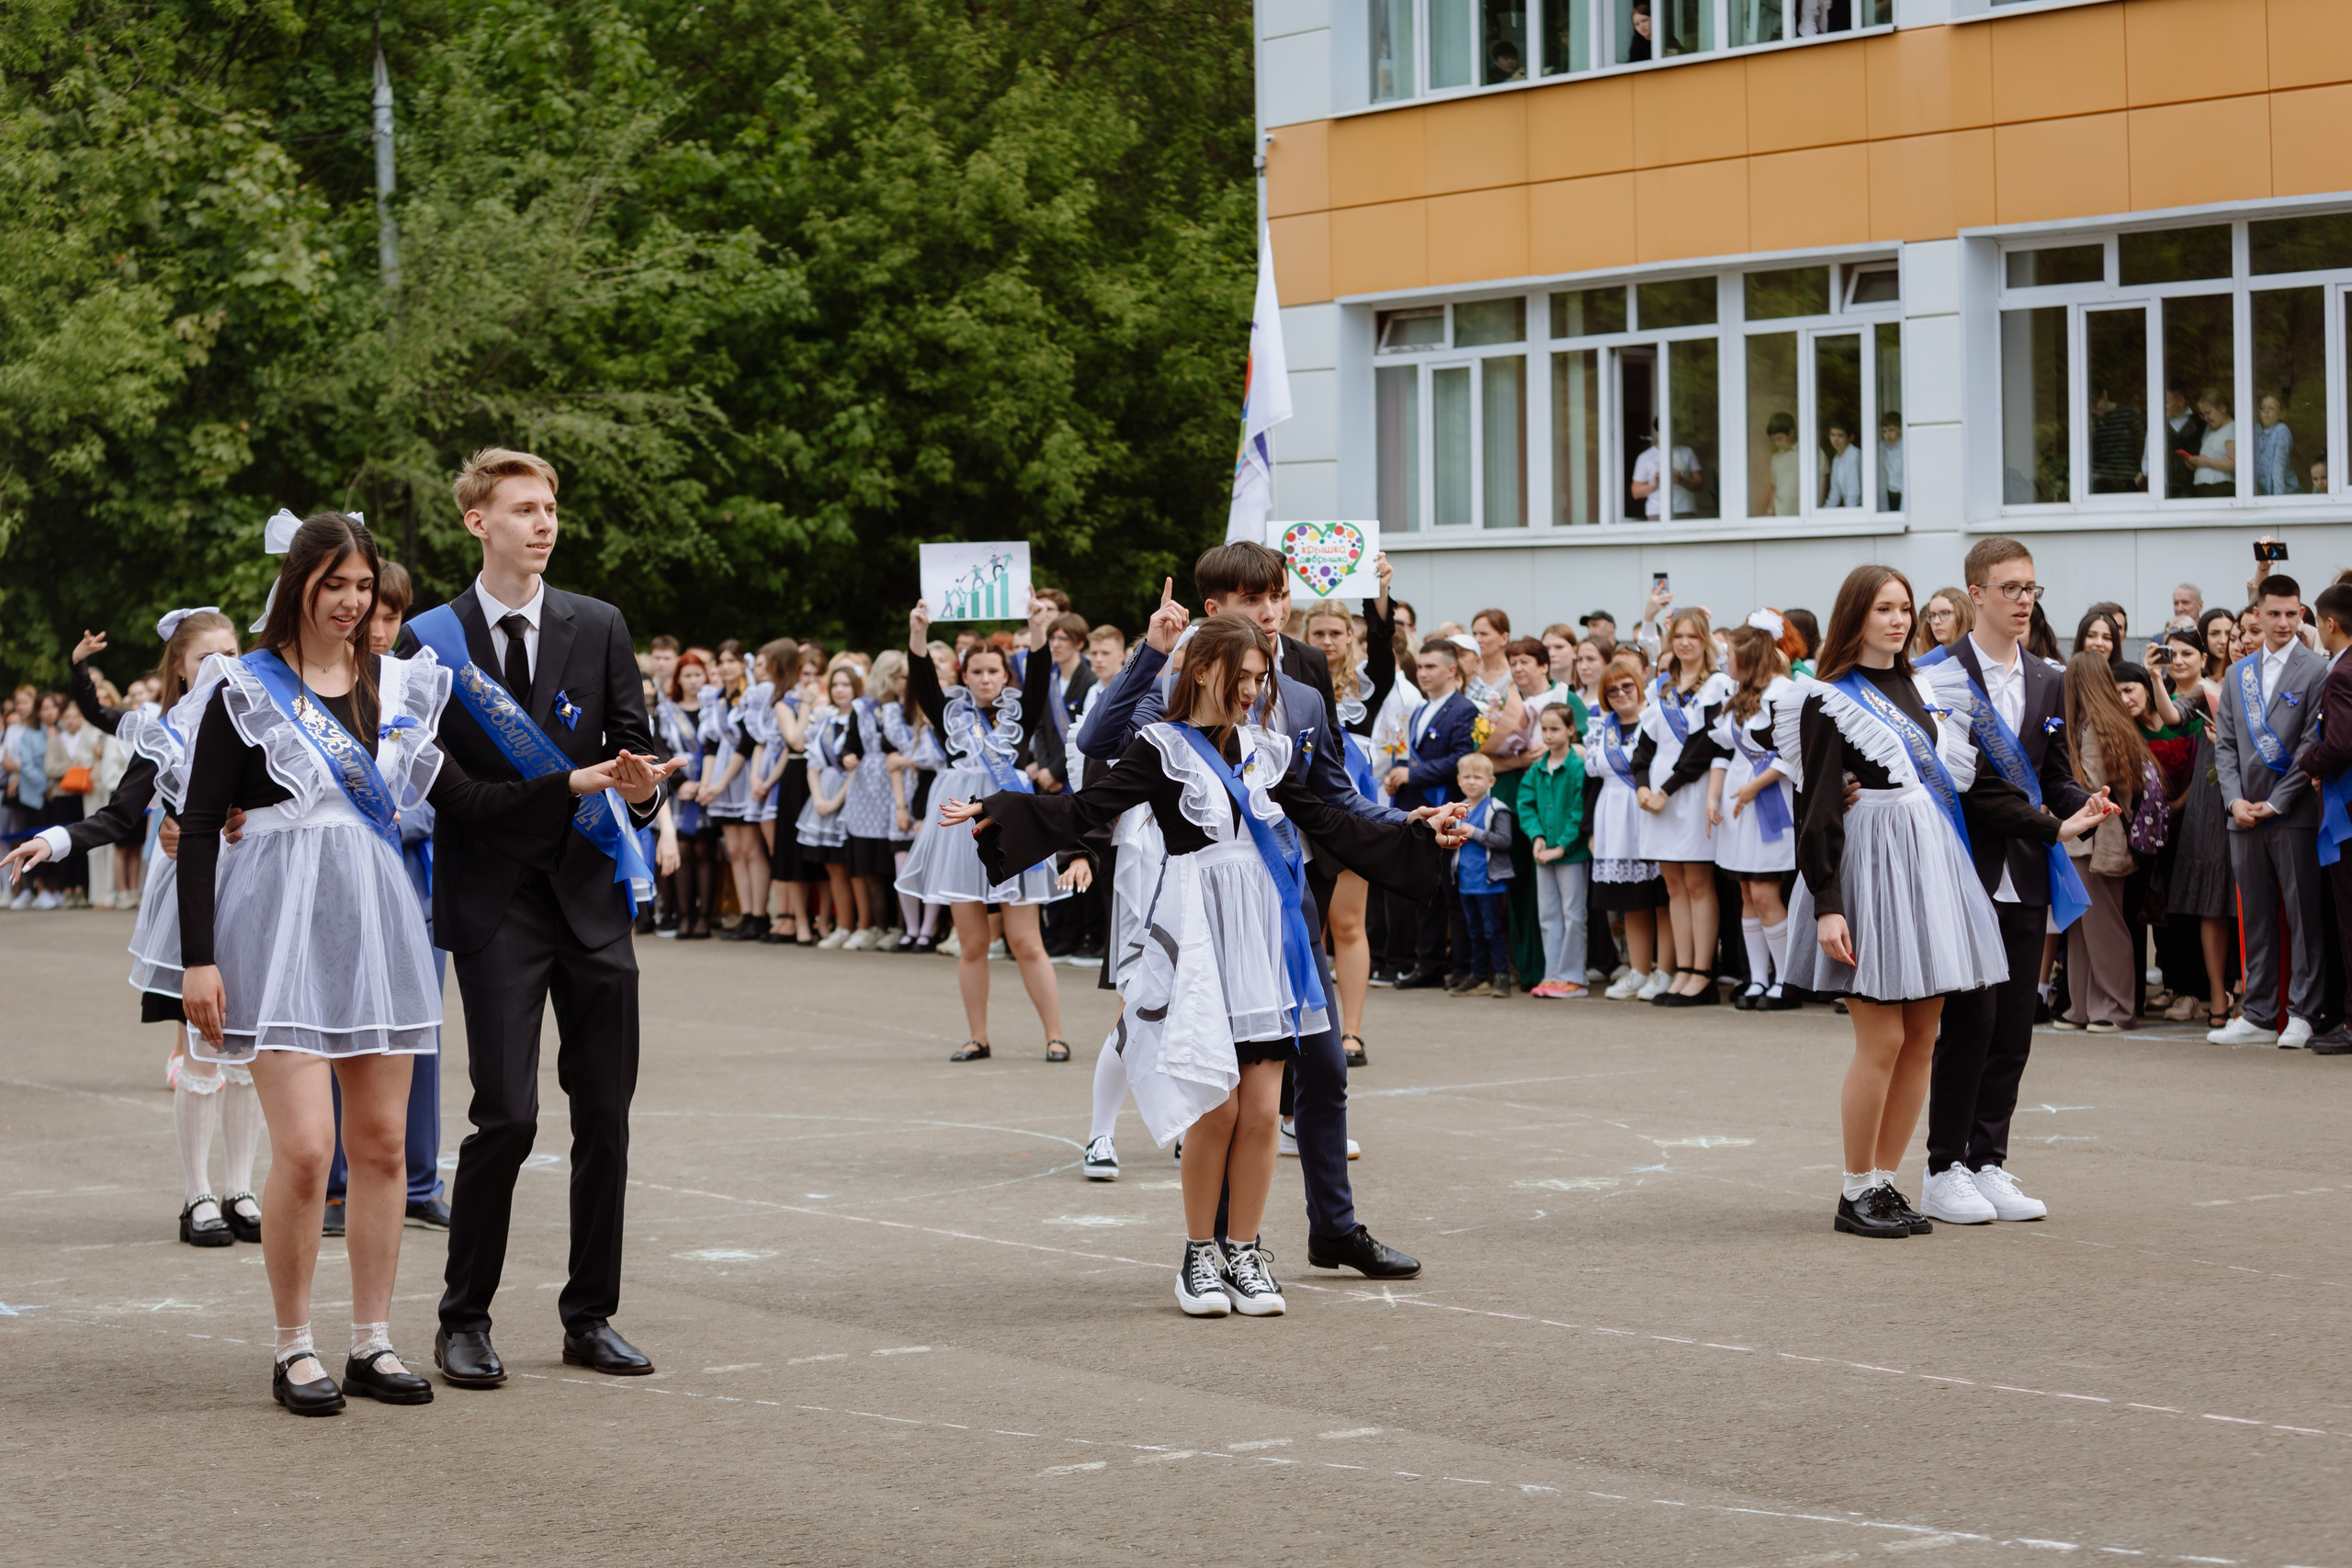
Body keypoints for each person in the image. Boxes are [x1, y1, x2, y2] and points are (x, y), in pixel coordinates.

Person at [179, 510, 663, 1413]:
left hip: (377, 931)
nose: (351, 603)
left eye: (363, 588)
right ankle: (293, 1347)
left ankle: (371, 1340)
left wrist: (576, 782)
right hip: (280, 935)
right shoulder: (244, 687)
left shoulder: (396, 690)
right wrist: (197, 961)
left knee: (382, 1149)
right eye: (334, 586)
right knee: (306, 1149)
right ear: (300, 586)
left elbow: (471, 797)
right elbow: (202, 824)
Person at [949, 614, 1458, 1316]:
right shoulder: (1161, 747)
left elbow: (1335, 821)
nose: (1252, 690)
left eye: (1259, 678)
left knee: (1259, 1105)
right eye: (1239, 676)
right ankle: (1198, 1256)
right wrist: (1001, 810)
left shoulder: (1270, 750)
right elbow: (1089, 807)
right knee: (1215, 1105)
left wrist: (1414, 825)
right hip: (1199, 933)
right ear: (1200, 672)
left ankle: (1245, 1252)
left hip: (1264, 933)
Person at [393, 449, 679, 1390]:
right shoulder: (426, 644)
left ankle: (589, 1315)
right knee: (506, 1117)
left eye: (550, 506)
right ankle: (462, 1319)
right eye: (523, 508)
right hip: (495, 903)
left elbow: (632, 750)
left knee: (605, 1118)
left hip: (589, 897)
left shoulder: (596, 625)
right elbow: (456, 793)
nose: (543, 522)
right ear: (479, 522)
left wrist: (640, 791)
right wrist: (570, 781)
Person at [1078, 546, 1442, 1280]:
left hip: (1284, 904)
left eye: (1278, 595)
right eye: (1253, 599)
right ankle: (1210, 1249)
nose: (1272, 611)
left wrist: (1414, 823)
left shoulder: (1304, 679)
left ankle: (1331, 1229)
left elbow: (1333, 796)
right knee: (1224, 1082)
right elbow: (1099, 743)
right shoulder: (1186, 674)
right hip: (1205, 912)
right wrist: (1150, 655)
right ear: (1215, 612)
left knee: (1325, 1069)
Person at [1780, 564, 2114, 1239]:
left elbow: (1974, 787)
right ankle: (1855, 1187)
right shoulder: (1826, 698)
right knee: (1883, 1038)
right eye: (1883, 609)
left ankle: (1886, 1179)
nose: (1898, 620)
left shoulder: (1926, 687)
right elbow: (1816, 808)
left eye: (1905, 608)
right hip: (1870, 868)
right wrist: (1828, 901)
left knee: (1924, 1037)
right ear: (1855, 617)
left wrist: (2057, 822)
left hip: (1931, 864)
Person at [5, 610, 261, 1247]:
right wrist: (54, 838)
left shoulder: (263, 719)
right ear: (178, 665)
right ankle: (197, 1193)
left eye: (234, 652)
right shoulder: (164, 734)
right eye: (208, 657)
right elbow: (120, 816)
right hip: (194, 896)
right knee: (202, 1051)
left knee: (249, 1058)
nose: (224, 666)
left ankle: (243, 1187)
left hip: (257, 890)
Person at [1911, 538, 2095, 1224]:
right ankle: (1943, 1165)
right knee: (1971, 1019)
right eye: (2011, 587)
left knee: (2015, 1021)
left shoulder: (2049, 677)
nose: (2023, 600)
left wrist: (2083, 802)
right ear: (1975, 593)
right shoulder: (1936, 675)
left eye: (2032, 589)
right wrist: (2054, 826)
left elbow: (2047, 772)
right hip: (1965, 866)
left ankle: (1989, 1159)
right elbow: (1971, 787)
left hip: (2027, 870)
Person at [323, 560, 452, 1235]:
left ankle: (422, 1180)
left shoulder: (416, 688)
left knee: (417, 1037)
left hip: (411, 887)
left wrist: (402, 819)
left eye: (390, 614)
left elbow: (443, 790)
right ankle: (340, 1184)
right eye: (368, 610)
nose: (377, 625)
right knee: (343, 1035)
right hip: (339, 894)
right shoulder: (316, 688)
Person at [894, 596, 1070, 1062]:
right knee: (972, 942)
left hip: (1011, 817)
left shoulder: (1022, 710)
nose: (986, 678)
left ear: (1004, 675)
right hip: (959, 824)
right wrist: (918, 632)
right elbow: (921, 678)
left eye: (994, 671)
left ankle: (1054, 1035)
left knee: (1025, 940)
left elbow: (1039, 671)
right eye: (977, 672)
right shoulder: (948, 711)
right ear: (964, 676)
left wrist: (1036, 629)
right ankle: (978, 1037)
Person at [2205, 574, 2326, 1048]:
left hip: (2292, 812)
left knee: (2302, 916)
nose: (2282, 622)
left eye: (2291, 614)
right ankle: (2257, 1013)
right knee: (2254, 916)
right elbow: (2227, 745)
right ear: (2257, 614)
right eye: (2273, 613)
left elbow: (2311, 746)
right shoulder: (2238, 673)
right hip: (2242, 815)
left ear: (2301, 615)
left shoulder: (2318, 669)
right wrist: (2234, 799)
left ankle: (2303, 1012)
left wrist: (2277, 801)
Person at [1635, 608, 1731, 1005]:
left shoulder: (1718, 685)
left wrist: (1666, 790)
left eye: (1693, 636)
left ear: (1706, 640)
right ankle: (1680, 970)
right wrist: (1642, 786)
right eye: (1678, 637)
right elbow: (1644, 745)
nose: (1685, 643)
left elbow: (1704, 747)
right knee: (1673, 884)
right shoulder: (1663, 688)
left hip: (1690, 792)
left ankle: (1702, 973)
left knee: (1697, 882)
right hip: (1658, 796)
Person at [2052, 655, 2150, 1033]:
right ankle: (2086, 1006)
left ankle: (2113, 1007)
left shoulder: (2090, 727)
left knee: (2100, 926)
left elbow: (2087, 783)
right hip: (2093, 840)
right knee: (2085, 925)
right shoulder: (2109, 723)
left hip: (2094, 841)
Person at [1707, 613, 1801, 1010]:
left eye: (1729, 654)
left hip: (1769, 800)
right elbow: (1724, 750)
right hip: (1737, 801)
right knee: (1746, 891)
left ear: (1748, 656)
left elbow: (1794, 754)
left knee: (1764, 891)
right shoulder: (1737, 692)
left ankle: (1785, 981)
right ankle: (1757, 980)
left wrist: (1752, 788)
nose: (1725, 660)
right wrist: (1714, 797)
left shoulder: (1784, 693)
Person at [1386, 637, 1480, 991]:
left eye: (1430, 667)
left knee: (1451, 893)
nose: (1422, 674)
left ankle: (1461, 965)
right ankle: (1429, 963)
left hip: (1447, 806)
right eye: (1420, 667)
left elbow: (1460, 757)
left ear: (1452, 670)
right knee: (1425, 888)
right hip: (1420, 808)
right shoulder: (1421, 708)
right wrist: (1399, 773)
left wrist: (1413, 774)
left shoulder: (1463, 709)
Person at [1592, 655, 1672, 998]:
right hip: (1613, 821)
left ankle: (1665, 970)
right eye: (1612, 690)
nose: (1620, 693)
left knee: (1661, 897)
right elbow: (1591, 782)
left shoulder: (1654, 718)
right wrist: (1590, 831)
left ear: (1639, 685)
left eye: (1627, 686)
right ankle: (1639, 970)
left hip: (1649, 812)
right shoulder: (1601, 728)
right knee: (1632, 900)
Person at [2295, 581, 2352, 1054]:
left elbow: (2340, 744)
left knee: (2349, 919)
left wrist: (2308, 763)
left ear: (2329, 624)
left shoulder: (2342, 673)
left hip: (2346, 810)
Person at [1518, 702, 1589, 998]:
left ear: (1571, 730)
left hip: (1570, 854)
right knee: (1548, 914)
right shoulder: (1536, 768)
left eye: (1555, 729)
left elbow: (1579, 810)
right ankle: (1553, 974)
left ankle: (1573, 976)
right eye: (1544, 729)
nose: (1548, 735)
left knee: (1573, 914)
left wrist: (1561, 846)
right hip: (1544, 854)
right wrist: (1536, 837)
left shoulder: (1577, 767)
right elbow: (1526, 804)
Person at [1449, 754, 1514, 998]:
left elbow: (1505, 841)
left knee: (1493, 931)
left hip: (1490, 883)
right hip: (1467, 881)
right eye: (1467, 777)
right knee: (1473, 932)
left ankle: (1501, 976)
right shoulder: (1458, 810)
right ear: (1458, 780)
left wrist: (1475, 832)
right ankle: (1478, 977)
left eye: (1478, 777)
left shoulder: (1497, 809)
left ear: (1491, 781)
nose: (1472, 782)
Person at [2186, 389, 2237, 494]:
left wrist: (2206, 462)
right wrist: (2196, 462)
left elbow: (2234, 464)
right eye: (2203, 414)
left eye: (2208, 413)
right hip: (2203, 486)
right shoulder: (2210, 430)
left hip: (2220, 487)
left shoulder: (2231, 429)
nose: (2205, 418)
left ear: (2222, 408)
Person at [2254, 392, 2298, 497]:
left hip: (2284, 493)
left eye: (2271, 408)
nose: (2266, 411)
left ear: (2281, 414)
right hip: (2265, 495)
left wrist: (2278, 500)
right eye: (2262, 407)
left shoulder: (2281, 430)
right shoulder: (2254, 430)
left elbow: (2279, 466)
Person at [1760, 411, 1802, 516]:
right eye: (1774, 440)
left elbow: (1822, 477)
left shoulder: (1806, 453)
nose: (1777, 443)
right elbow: (1775, 487)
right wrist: (1770, 510)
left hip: (1802, 514)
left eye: (1779, 439)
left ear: (1791, 433)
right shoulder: (1775, 458)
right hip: (1781, 515)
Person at [1917, 587, 1973, 656]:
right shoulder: (1925, 663)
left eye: (1945, 613)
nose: (1936, 621)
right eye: (1933, 615)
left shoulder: (1981, 657)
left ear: (1963, 615)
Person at [1821, 421, 1864, 509]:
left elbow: (1854, 493)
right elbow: (1835, 493)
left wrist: (1850, 516)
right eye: (1832, 435)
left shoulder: (1854, 455)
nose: (1835, 439)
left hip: (1860, 508)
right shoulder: (1836, 459)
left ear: (1850, 438)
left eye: (1840, 435)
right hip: (1850, 507)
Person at [1879, 412, 1905, 512]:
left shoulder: (1905, 446)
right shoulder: (1881, 448)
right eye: (1884, 431)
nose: (1887, 435)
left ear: (1899, 429)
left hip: (1904, 495)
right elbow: (1881, 478)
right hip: (1888, 494)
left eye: (1891, 430)